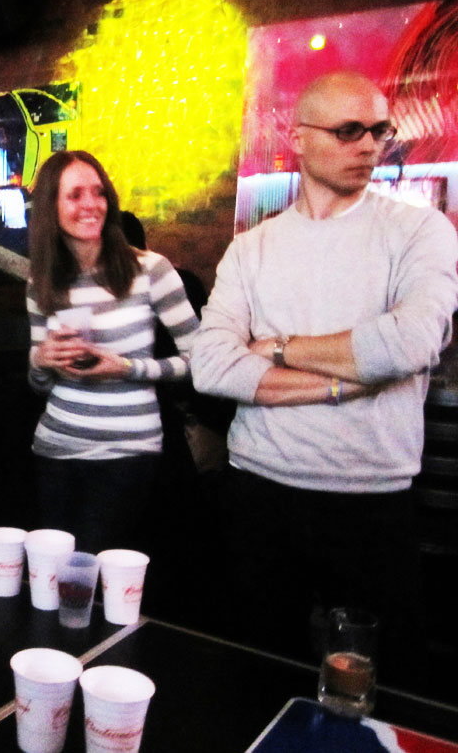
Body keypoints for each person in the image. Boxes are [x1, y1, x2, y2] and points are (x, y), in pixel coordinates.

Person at [190, 71, 458, 680]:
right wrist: (346, 382)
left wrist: (280, 348)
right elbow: (212, 365)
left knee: (385, 686)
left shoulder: (419, 230)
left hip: (372, 500)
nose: (368, 145)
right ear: (299, 139)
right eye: (348, 130)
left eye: (379, 131)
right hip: (258, 489)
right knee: (257, 675)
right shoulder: (252, 248)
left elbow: (410, 341)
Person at [26, 151, 199, 554]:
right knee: (51, 568)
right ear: (51, 207)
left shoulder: (150, 269)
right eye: (75, 195)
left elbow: (202, 362)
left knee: (93, 567)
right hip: (55, 446)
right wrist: (41, 360)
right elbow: (39, 384)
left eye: (98, 192)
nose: (91, 204)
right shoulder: (42, 280)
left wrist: (125, 368)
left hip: (128, 451)